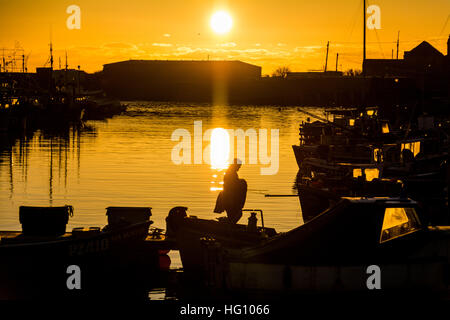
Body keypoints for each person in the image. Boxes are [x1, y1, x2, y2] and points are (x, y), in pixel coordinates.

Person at [214, 158, 247, 224]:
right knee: (237, 214)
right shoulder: (230, 173)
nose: (239, 168)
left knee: (234, 215)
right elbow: (231, 186)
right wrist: (242, 182)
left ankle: (228, 224)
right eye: (239, 166)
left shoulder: (231, 172)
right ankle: (228, 226)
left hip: (229, 198)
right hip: (228, 198)